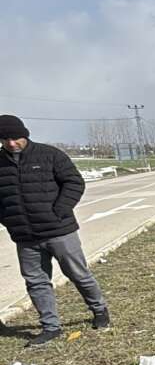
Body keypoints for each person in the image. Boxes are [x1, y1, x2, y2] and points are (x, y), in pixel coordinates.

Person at [0, 115, 110, 346]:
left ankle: (100, 311)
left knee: (78, 274)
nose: (11, 143)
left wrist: (58, 211)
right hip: (25, 237)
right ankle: (50, 327)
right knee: (36, 282)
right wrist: (9, 220)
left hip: (60, 232)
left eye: (15, 138)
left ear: (25, 135)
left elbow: (74, 182)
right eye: (5, 139)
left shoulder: (49, 155)